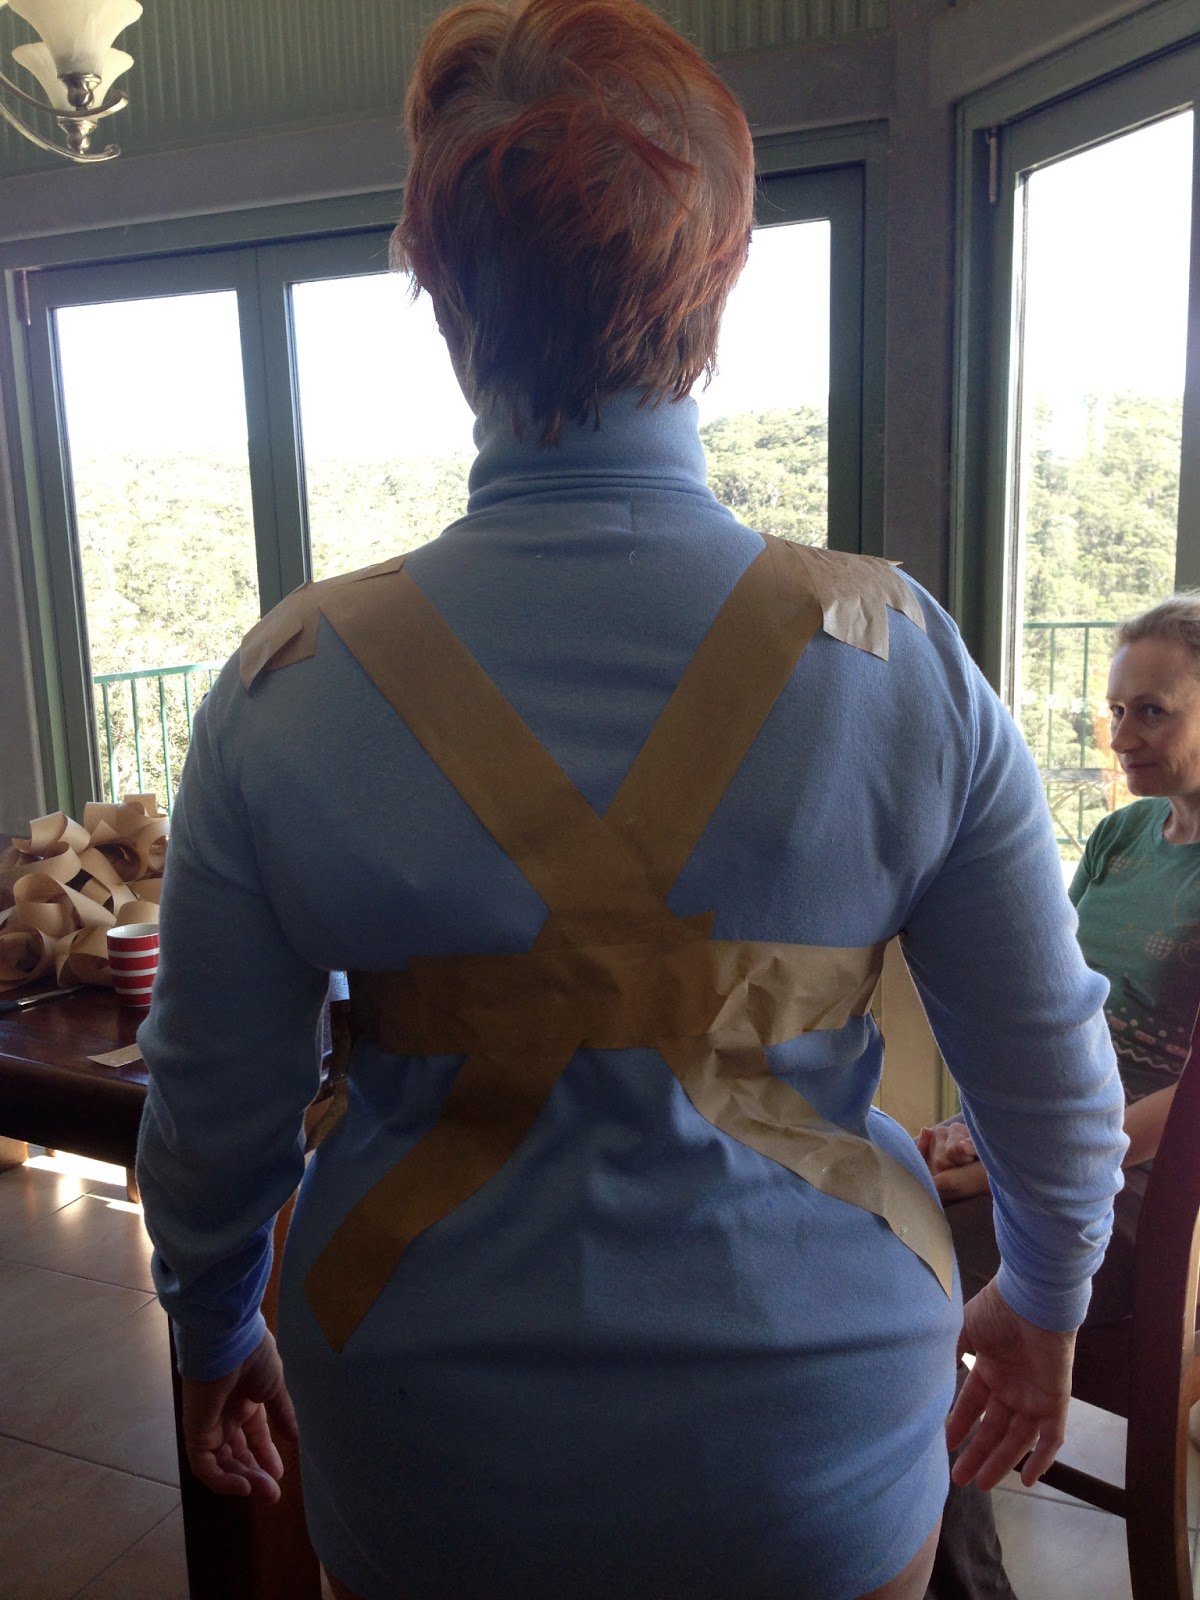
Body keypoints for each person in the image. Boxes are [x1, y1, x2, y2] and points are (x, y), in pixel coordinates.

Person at [134, 3, 1126, 1598]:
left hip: (427, 1441)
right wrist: (1051, 1297)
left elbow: (210, 1101)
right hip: (815, 1438)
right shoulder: (896, 656)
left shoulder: (287, 686)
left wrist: (210, 1323)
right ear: (717, 284)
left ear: (442, 293)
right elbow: (1048, 1058)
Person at [920, 591, 1200, 1600]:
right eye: (1116, 710)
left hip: (1149, 1194)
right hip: (1062, 1154)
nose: (1123, 733)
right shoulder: (1123, 838)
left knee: (902, 1293)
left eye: (1153, 710)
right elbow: (1044, 1026)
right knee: (878, 1206)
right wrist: (972, 1130)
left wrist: (1029, 1153)